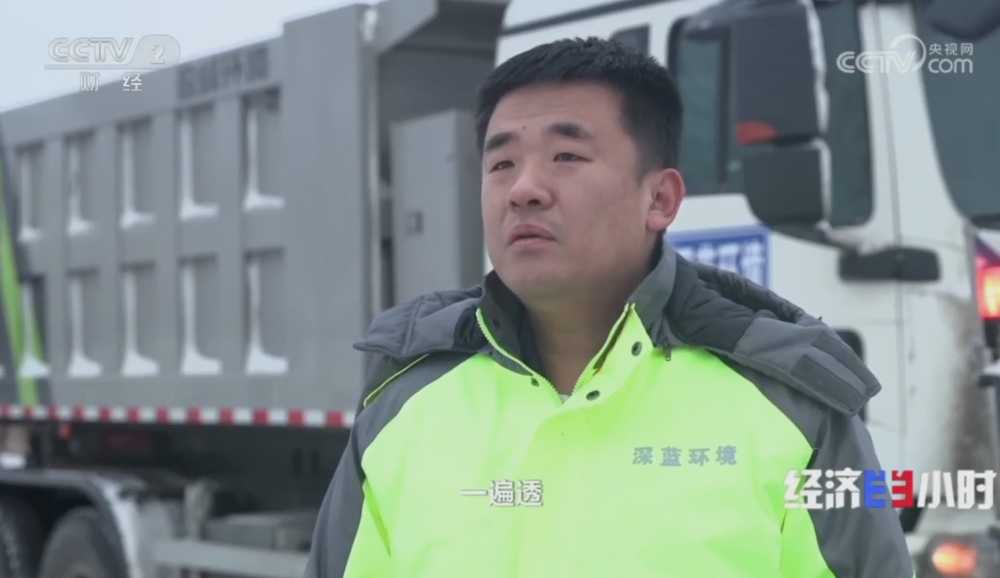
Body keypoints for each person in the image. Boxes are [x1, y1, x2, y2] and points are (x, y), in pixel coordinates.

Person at [304, 37, 913, 578]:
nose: (524, 189)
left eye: (566, 156)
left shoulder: (793, 411)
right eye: (501, 163)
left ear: (661, 198)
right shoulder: (404, 407)